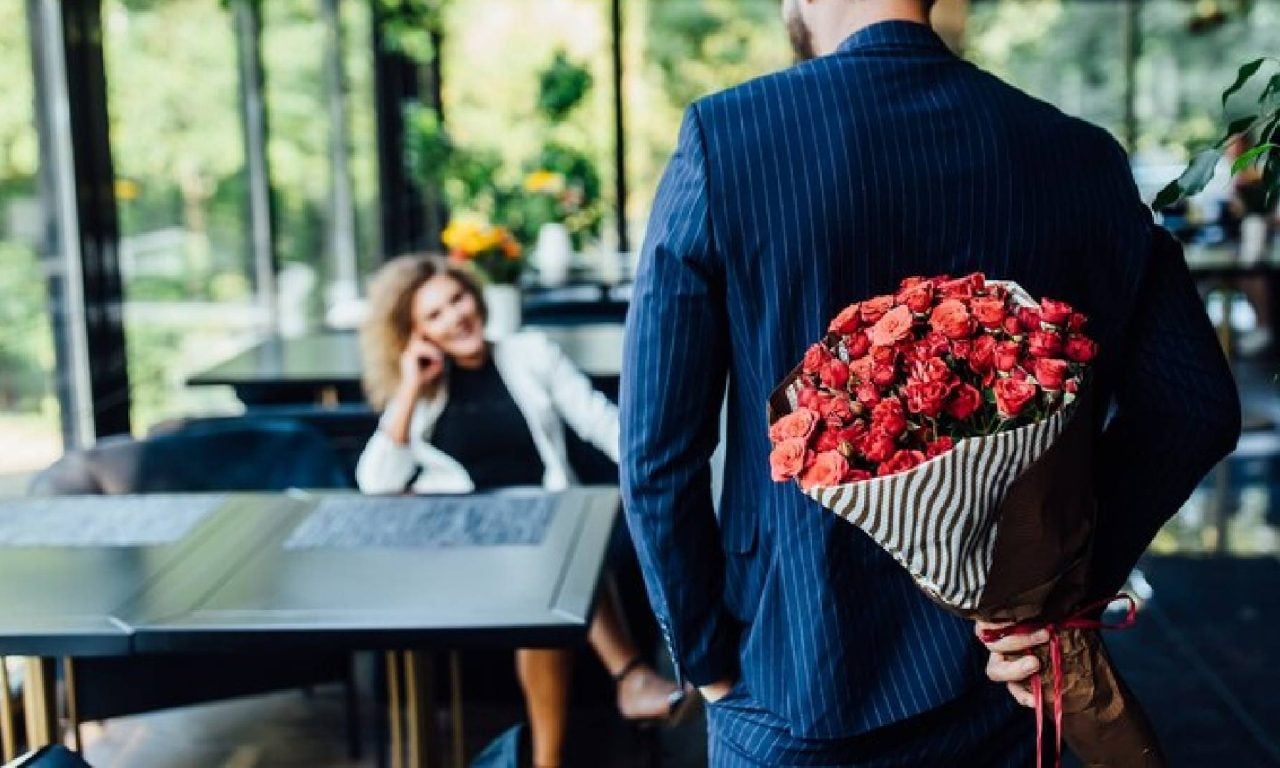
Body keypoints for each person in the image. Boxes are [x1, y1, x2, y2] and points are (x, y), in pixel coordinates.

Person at [620, 0, 1241, 765]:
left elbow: (656, 452)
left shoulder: (728, 138)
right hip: (1004, 678)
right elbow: (1194, 406)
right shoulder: (1078, 156)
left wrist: (707, 664)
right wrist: (1056, 591)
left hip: (791, 677)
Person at [355, 254, 688, 768]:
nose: (456, 317)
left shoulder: (529, 353)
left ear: (476, 295)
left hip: (546, 530)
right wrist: (408, 387)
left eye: (458, 299)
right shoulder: (420, 394)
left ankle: (552, 756)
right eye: (435, 315)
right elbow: (376, 483)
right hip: (464, 547)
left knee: (556, 549)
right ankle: (629, 678)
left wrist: (658, 471)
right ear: (416, 333)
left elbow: (603, 423)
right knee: (555, 553)